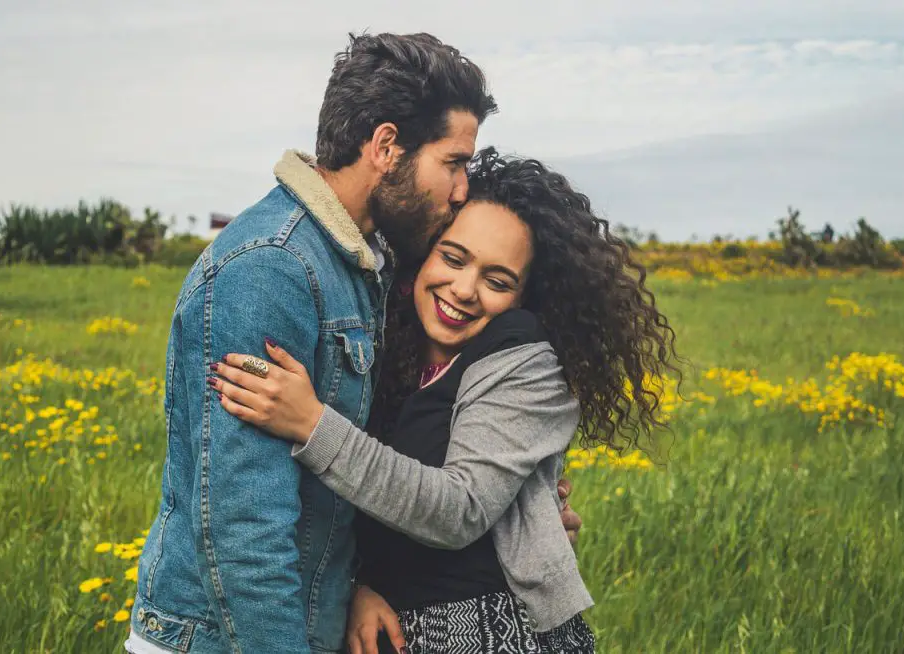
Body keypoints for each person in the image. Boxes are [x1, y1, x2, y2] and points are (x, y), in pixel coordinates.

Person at [126, 34, 580, 654]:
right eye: (453, 162)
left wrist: (358, 584)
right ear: (387, 147)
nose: (461, 189)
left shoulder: (370, 263)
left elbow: (357, 480)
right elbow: (242, 530)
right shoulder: (270, 269)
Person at [211, 148, 681, 653]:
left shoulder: (525, 358)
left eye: (498, 281)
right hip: (386, 629)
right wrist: (354, 588)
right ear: (422, 255)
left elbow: (459, 509)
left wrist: (311, 424)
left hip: (496, 634)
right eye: (453, 258)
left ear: (523, 298)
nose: (464, 289)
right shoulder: (381, 348)